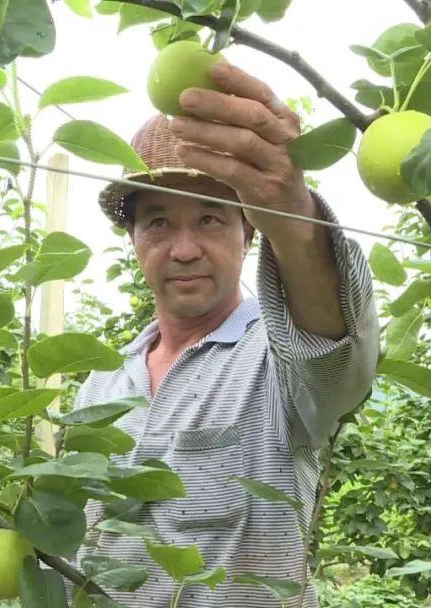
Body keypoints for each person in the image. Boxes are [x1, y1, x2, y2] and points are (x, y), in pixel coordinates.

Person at [72, 61, 379, 607]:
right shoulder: (100, 385)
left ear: (249, 230)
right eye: (159, 222)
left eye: (211, 219)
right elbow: (83, 543)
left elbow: (335, 348)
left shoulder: (279, 360)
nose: (184, 249)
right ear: (133, 239)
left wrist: (292, 211)